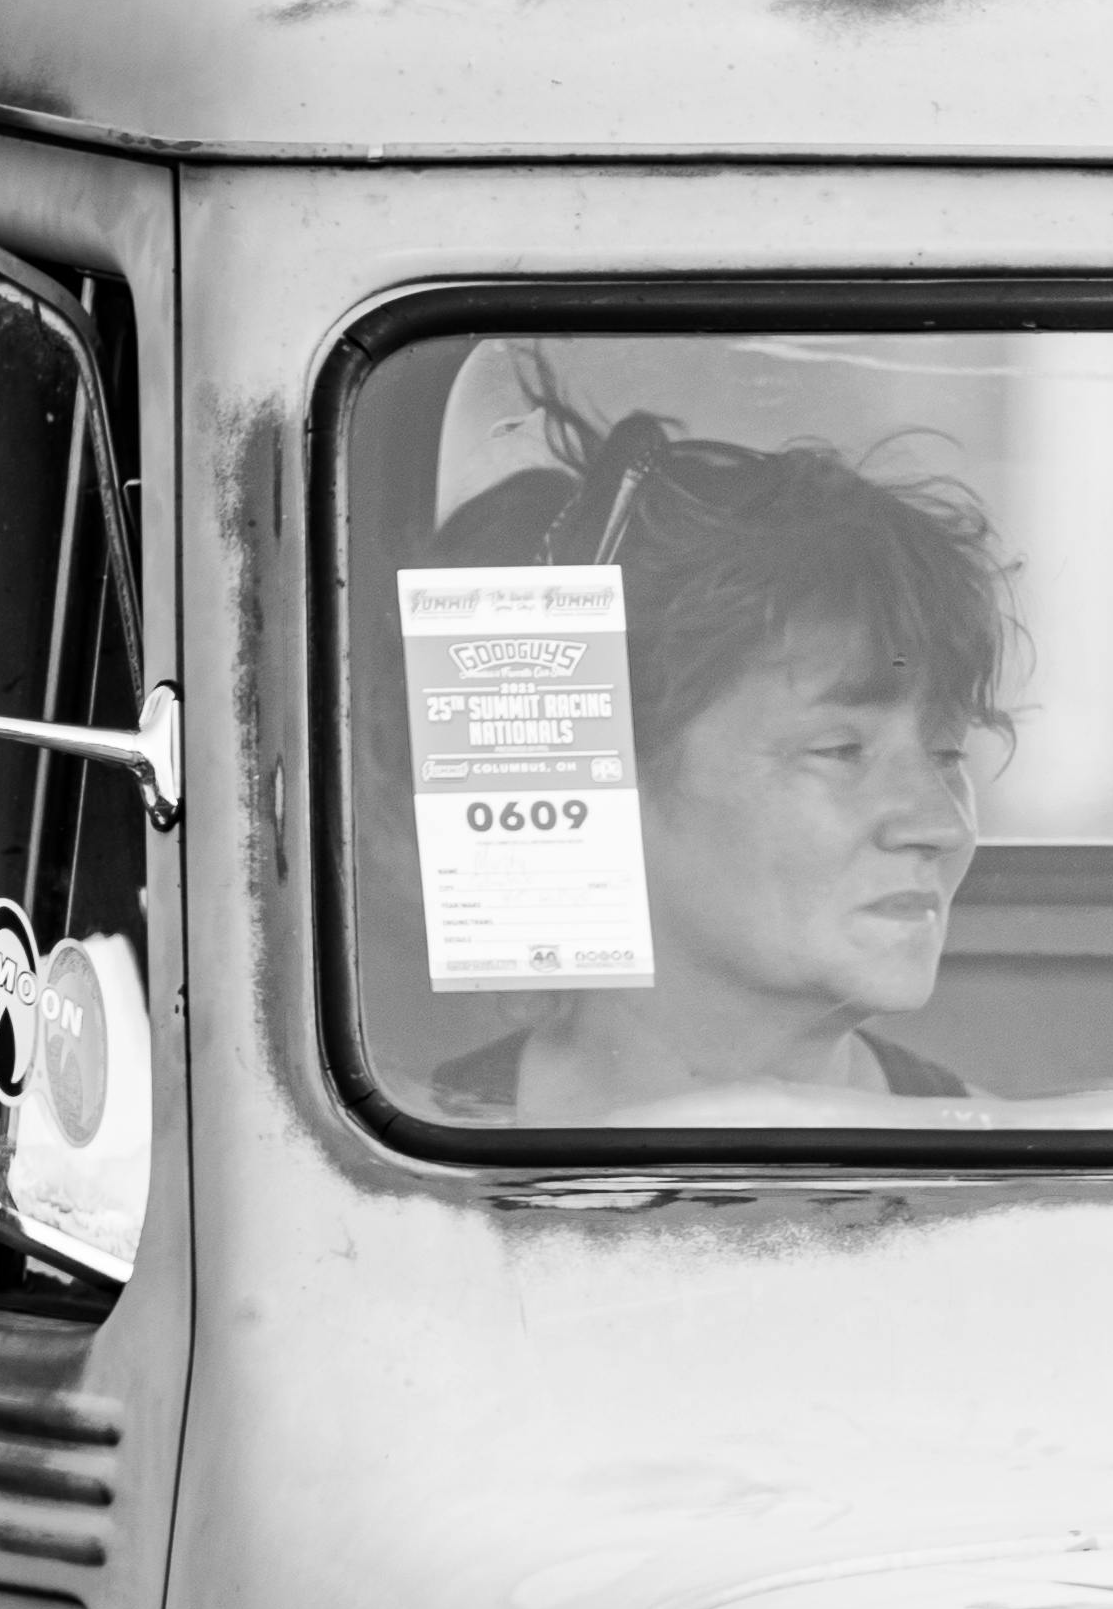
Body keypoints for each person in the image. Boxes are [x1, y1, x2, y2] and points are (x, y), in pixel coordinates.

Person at [430, 386, 1013, 1121]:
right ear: (597, 785)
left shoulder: (1010, 1189)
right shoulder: (379, 1183)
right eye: (840, 750)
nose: (942, 825)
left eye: (949, 752)